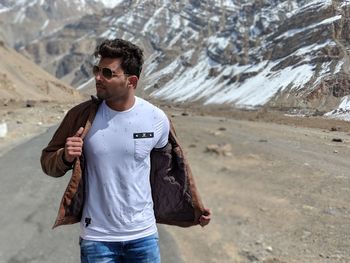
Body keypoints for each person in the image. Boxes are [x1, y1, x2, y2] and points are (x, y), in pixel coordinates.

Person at [41, 38, 211, 263]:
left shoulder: (156, 119)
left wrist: (196, 206)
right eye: (97, 70)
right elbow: (47, 162)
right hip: (96, 238)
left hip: (143, 236)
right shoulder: (81, 117)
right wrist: (64, 156)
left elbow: (173, 169)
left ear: (131, 81)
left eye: (108, 73)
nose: (98, 78)